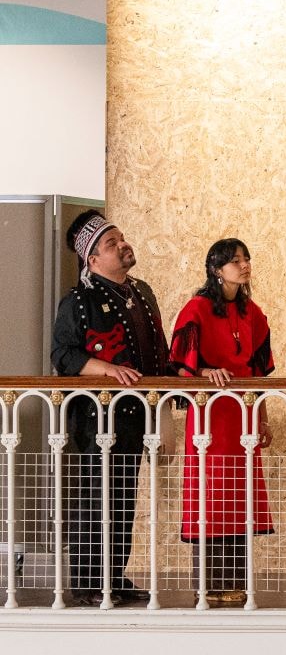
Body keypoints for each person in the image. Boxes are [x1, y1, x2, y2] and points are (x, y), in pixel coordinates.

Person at [51, 210, 171, 606]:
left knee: (122, 498)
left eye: (120, 238)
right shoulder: (78, 300)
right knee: (94, 497)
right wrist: (108, 369)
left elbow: (159, 356)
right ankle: (87, 584)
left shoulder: (143, 293)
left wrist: (169, 401)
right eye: (110, 243)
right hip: (96, 418)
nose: (122, 245)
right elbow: (63, 355)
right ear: (93, 259)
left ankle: (113, 579)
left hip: (137, 415)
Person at [170, 238, 274, 607]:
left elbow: (259, 374)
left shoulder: (253, 312)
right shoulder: (196, 309)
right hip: (210, 416)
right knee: (209, 495)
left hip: (243, 415)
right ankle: (207, 585)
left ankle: (237, 583)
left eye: (246, 258)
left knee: (239, 495)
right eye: (234, 261)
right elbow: (181, 365)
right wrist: (204, 371)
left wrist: (262, 417)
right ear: (216, 269)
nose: (244, 265)